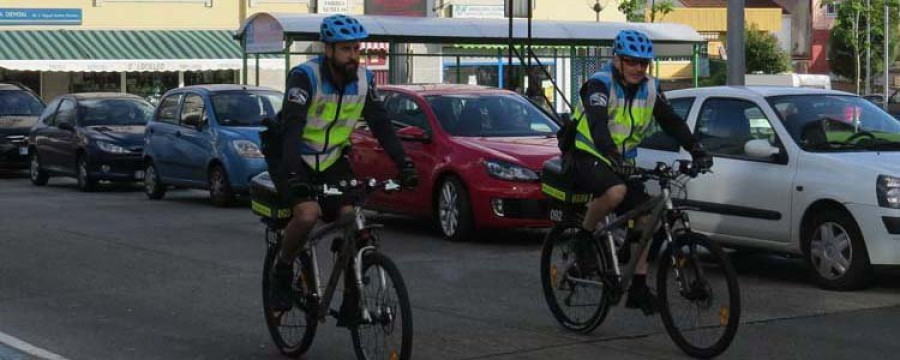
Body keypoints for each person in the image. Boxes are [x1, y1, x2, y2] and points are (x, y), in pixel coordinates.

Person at [265, 14, 419, 315]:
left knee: (351, 216)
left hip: (333, 159)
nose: (353, 56)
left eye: (357, 49)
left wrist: (405, 164)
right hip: (293, 156)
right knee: (308, 215)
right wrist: (295, 173)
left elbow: (381, 125)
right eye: (346, 49)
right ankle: (282, 270)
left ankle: (352, 296)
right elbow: (292, 129)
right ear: (328, 50)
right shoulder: (304, 77)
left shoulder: (363, 80)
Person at [569, 29, 713, 315]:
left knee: (647, 216)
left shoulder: (650, 89)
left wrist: (697, 149)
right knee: (616, 191)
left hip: (620, 161)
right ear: (618, 60)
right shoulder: (599, 85)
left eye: (643, 63)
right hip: (586, 154)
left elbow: (672, 122)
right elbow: (598, 126)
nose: (638, 68)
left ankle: (637, 286)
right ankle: (583, 238)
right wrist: (610, 153)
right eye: (631, 61)